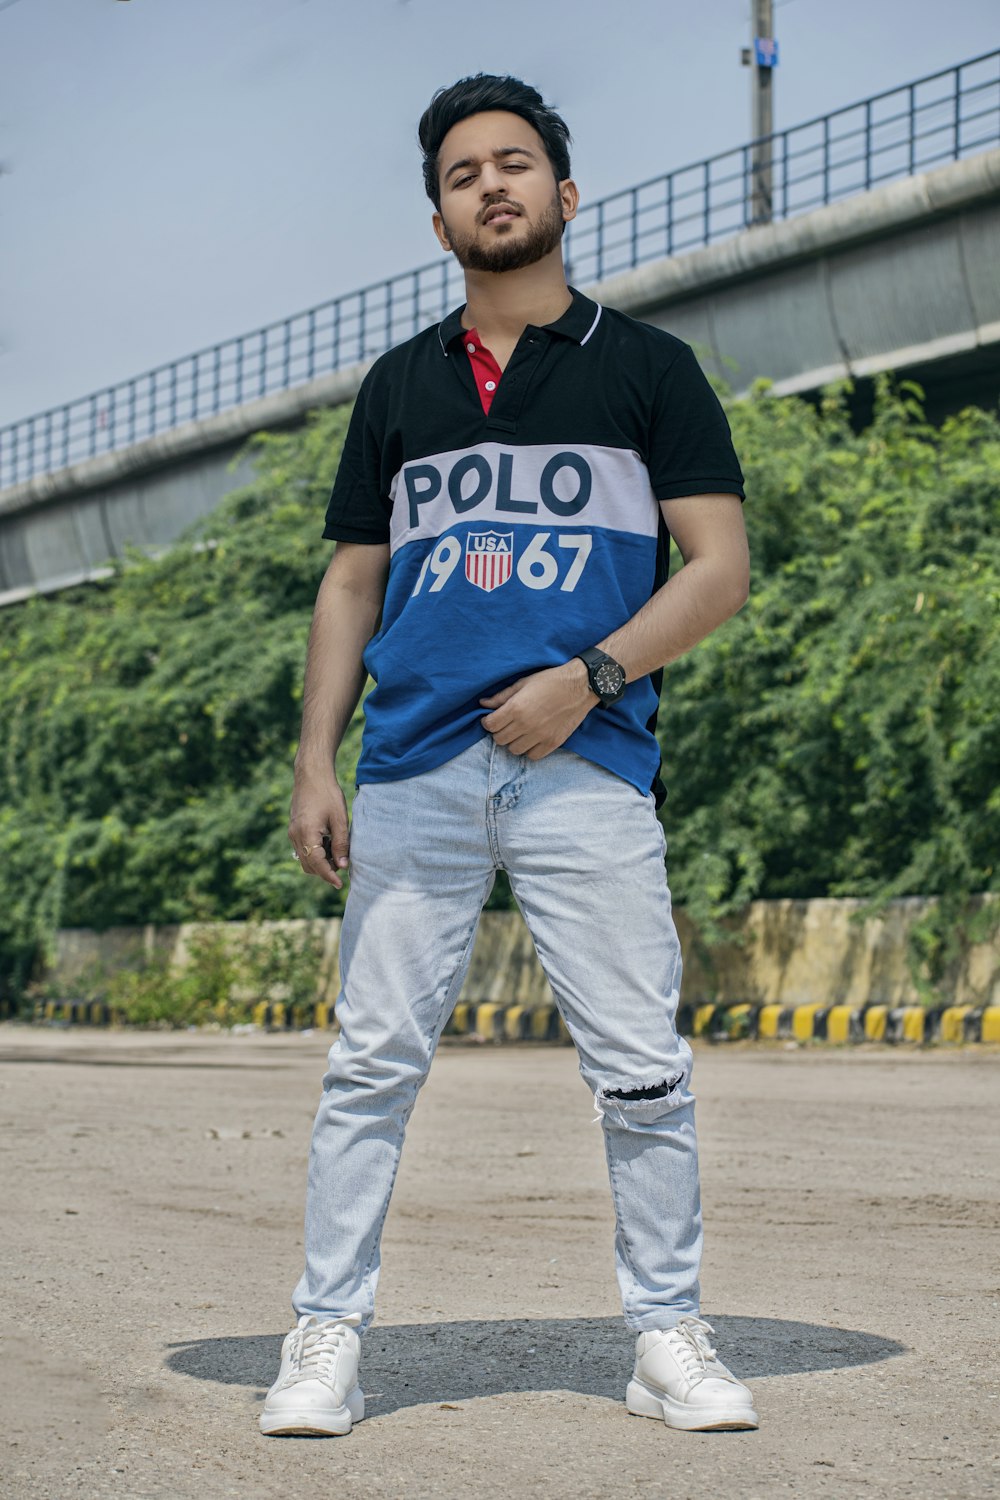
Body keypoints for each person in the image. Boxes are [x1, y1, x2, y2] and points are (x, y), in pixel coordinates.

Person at [260, 73, 757, 1438]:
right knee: (370, 1067)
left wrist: (586, 679)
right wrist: (317, 761)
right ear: (439, 219)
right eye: (466, 172)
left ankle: (667, 1339)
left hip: (586, 766)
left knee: (641, 1069)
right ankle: (325, 1340)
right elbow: (352, 586)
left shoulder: (646, 368)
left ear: (565, 194)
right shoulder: (399, 384)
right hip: (412, 770)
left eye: (517, 163)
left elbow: (719, 571)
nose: (493, 184)